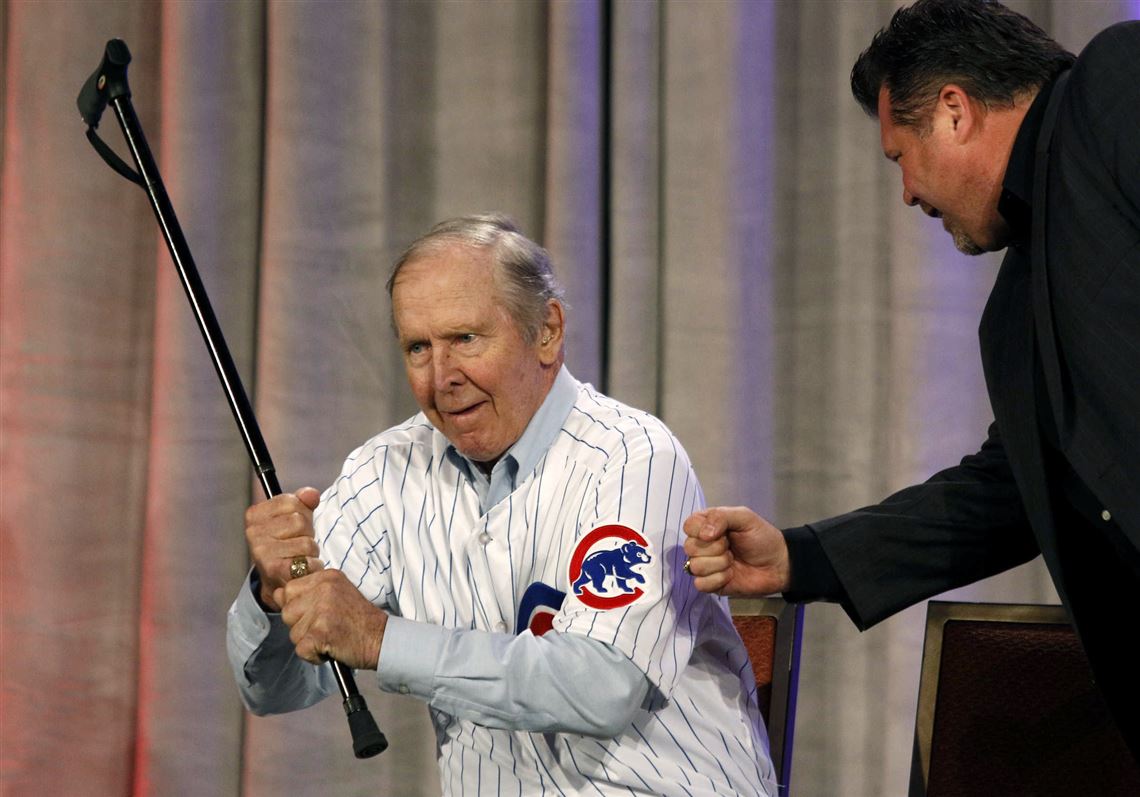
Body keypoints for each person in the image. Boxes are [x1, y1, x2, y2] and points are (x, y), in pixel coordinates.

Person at [683, 0, 1140, 756]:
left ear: (954, 112)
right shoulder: (1014, 320)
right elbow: (1001, 500)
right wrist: (803, 556)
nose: (907, 194)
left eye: (900, 157)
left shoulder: (1116, 86)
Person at [227, 214, 777, 795]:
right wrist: (273, 591)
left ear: (547, 330)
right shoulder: (383, 472)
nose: (442, 378)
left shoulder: (632, 457)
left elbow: (602, 687)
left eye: (465, 339)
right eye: (418, 348)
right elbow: (273, 688)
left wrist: (380, 639)